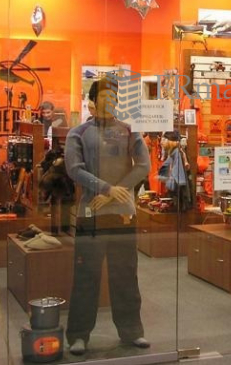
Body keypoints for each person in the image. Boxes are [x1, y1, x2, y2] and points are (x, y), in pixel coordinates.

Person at [64, 78, 151, 355]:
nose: (110, 101)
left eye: (114, 96)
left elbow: (144, 166)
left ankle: (132, 331)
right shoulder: (78, 133)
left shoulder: (129, 131)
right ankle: (78, 335)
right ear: (93, 100)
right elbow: (74, 169)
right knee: (86, 276)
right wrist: (105, 188)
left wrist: (114, 193)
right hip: (91, 215)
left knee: (125, 274)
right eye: (104, 96)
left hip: (122, 214)